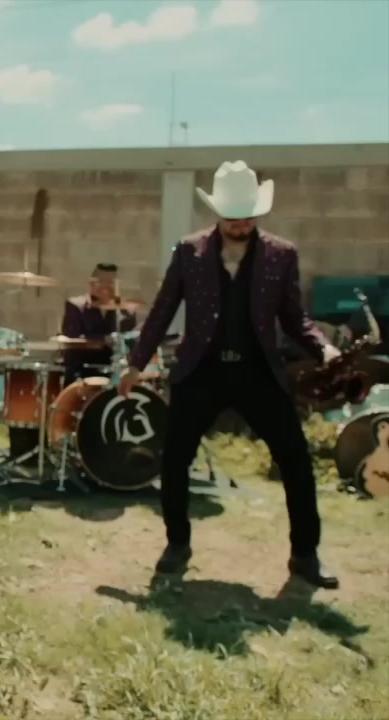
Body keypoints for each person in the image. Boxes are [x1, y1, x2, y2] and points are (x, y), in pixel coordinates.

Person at [120, 160, 340, 589]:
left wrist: (325, 348)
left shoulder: (281, 254)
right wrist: (135, 363)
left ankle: (305, 555)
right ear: (218, 213)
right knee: (175, 459)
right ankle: (177, 544)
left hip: (259, 371)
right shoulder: (189, 252)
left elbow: (295, 317)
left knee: (296, 460)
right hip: (201, 370)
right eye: (233, 218)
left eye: (248, 218)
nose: (241, 226)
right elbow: (163, 310)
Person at [59, 262, 138, 382]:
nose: (106, 286)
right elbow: (71, 338)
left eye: (111, 282)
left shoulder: (127, 311)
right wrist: (104, 339)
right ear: (91, 283)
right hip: (81, 370)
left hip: (115, 372)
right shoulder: (76, 306)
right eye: (101, 281)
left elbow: (131, 343)